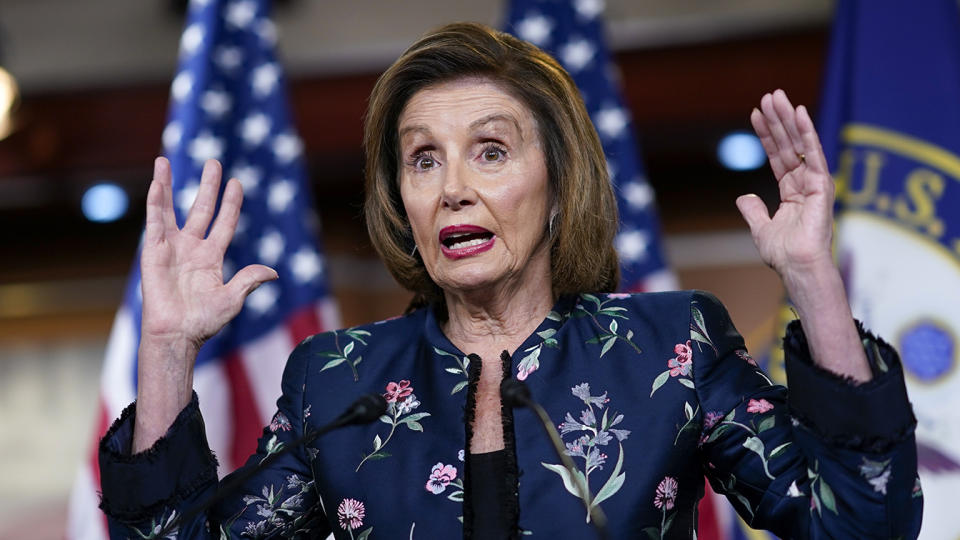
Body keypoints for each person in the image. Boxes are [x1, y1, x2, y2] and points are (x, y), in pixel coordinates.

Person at [98, 22, 922, 539]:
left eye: (490, 150)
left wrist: (814, 277)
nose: (453, 184)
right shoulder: (339, 381)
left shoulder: (668, 347)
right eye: (424, 159)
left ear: (559, 186)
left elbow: (860, 521)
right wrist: (166, 348)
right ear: (404, 201)